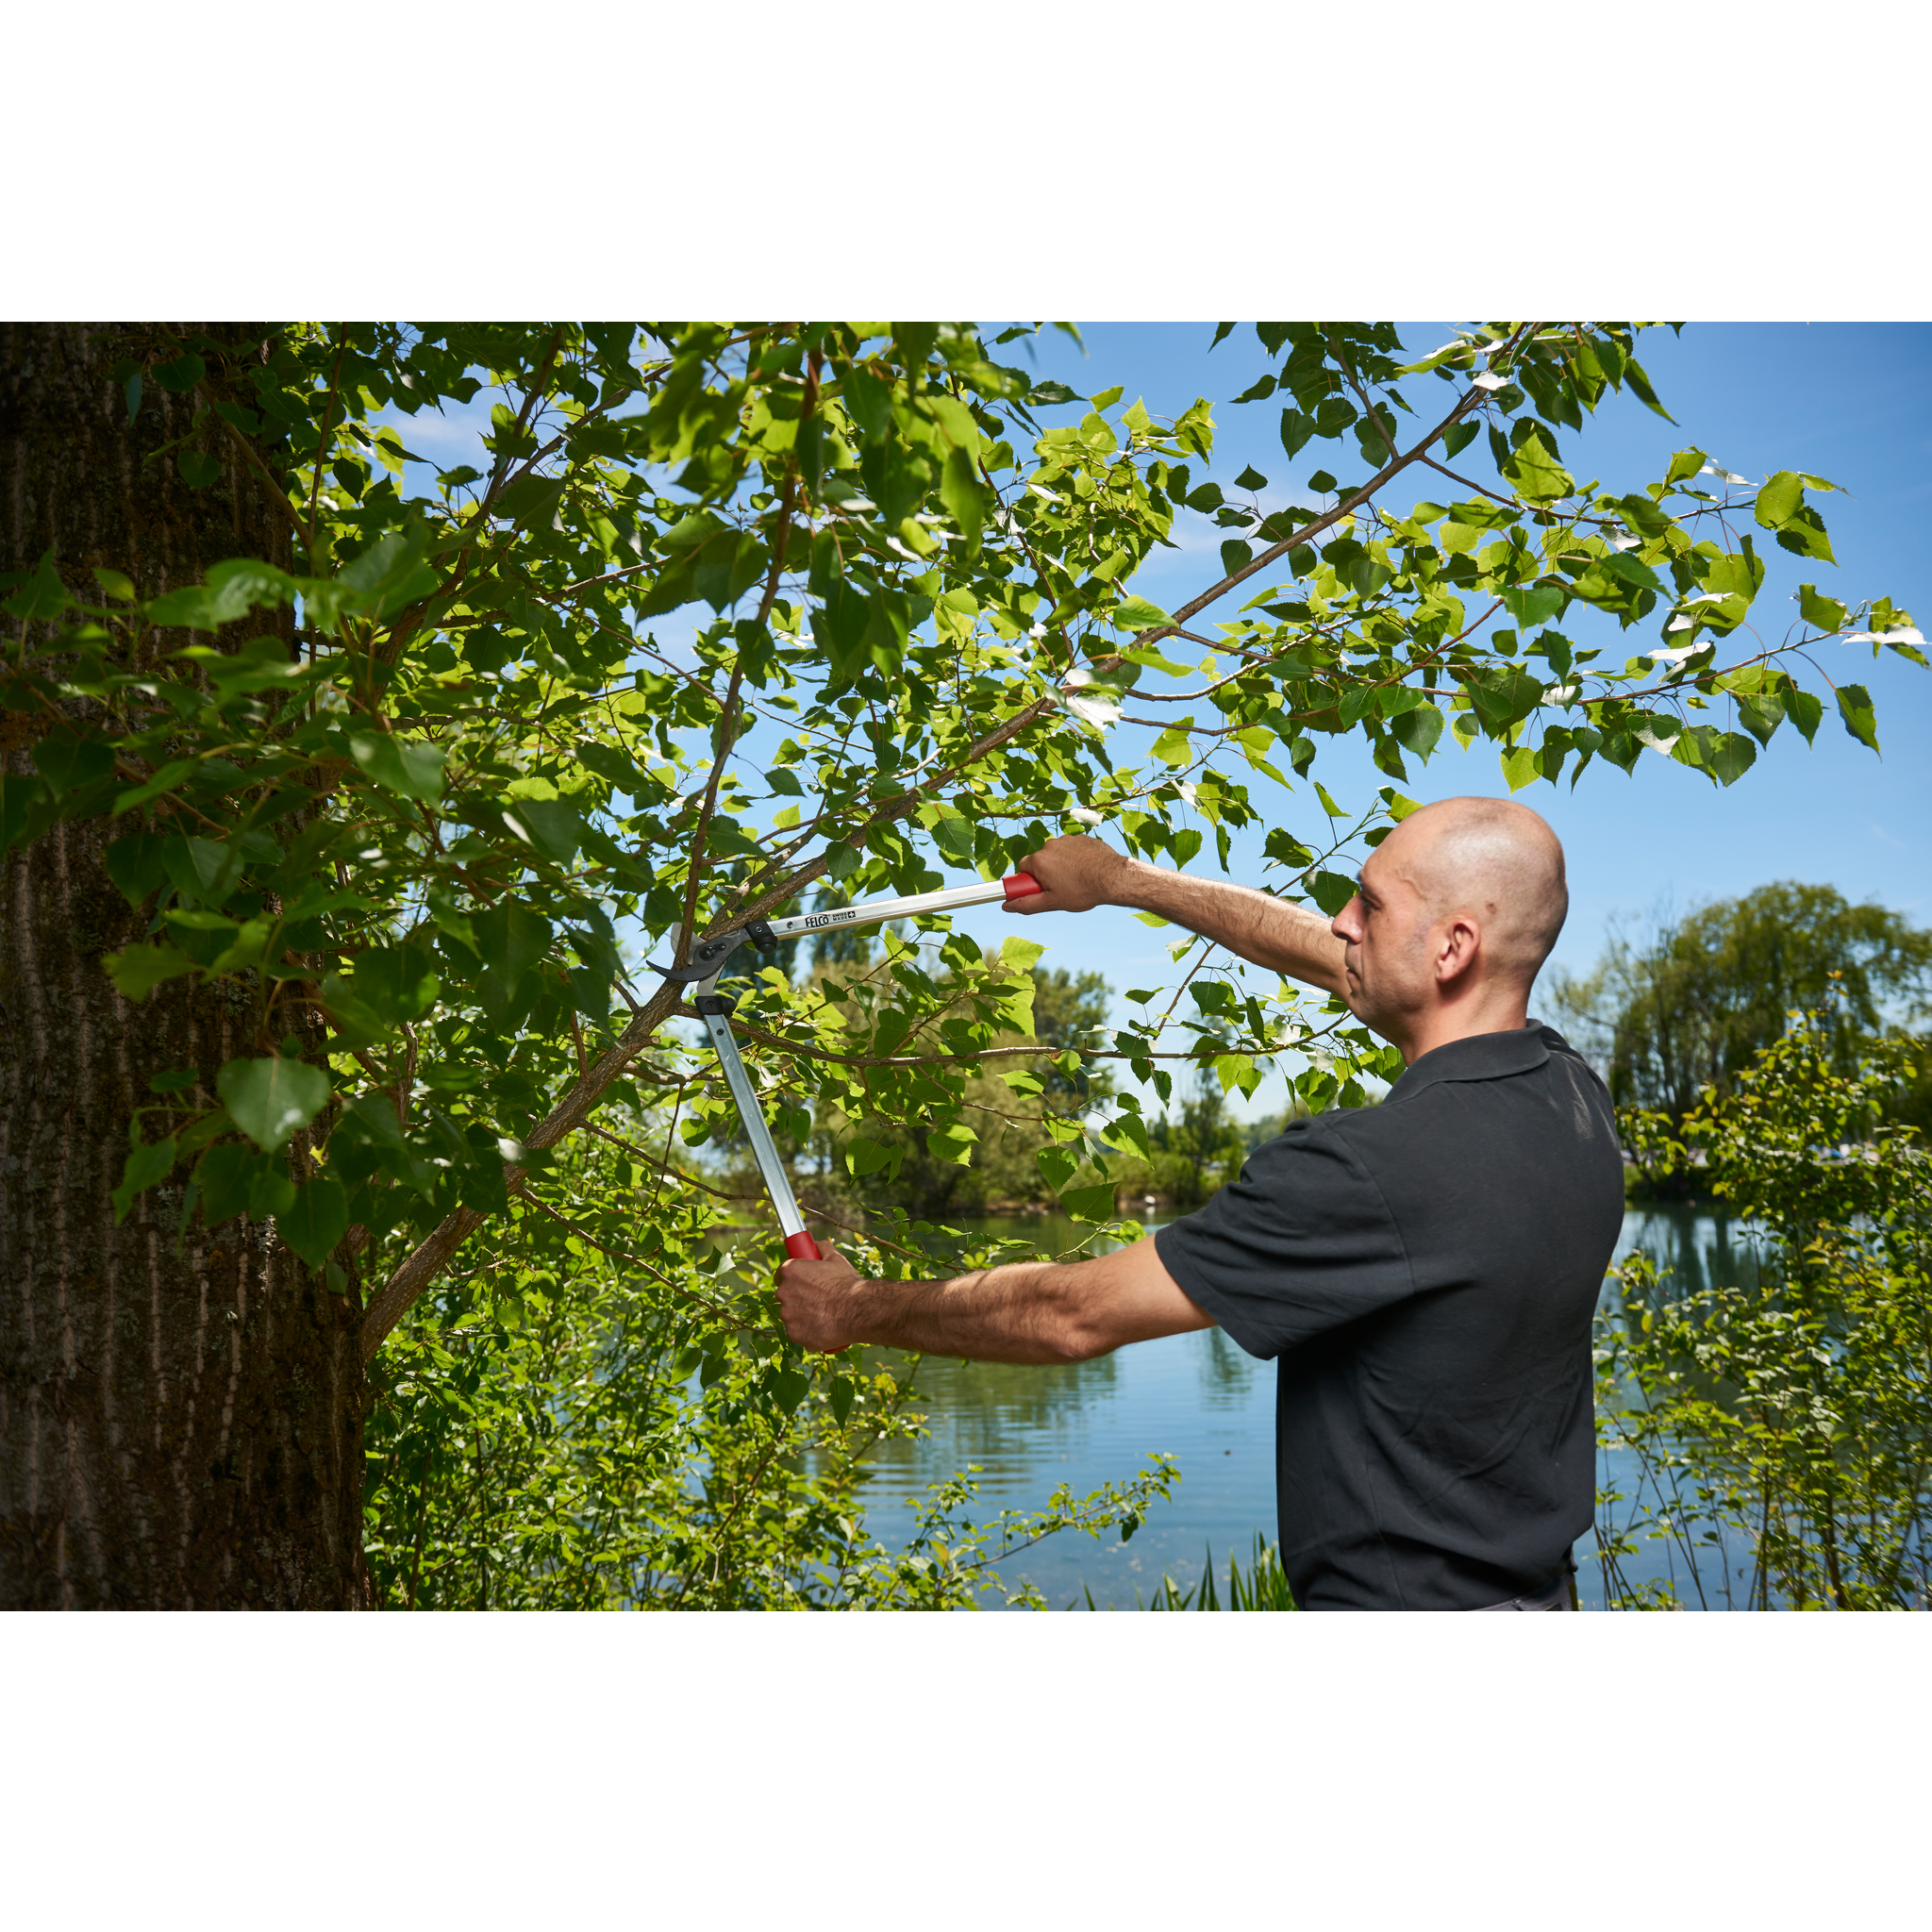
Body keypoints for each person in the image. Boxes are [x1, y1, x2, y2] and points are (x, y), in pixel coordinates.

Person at [775, 797, 1624, 1610]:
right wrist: (1121, 880)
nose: (1339, 922)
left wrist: (855, 1308)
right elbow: (1334, 958)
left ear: (1452, 948)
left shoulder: (1369, 1169)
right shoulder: (1570, 1097)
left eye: (1367, 903)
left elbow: (1075, 1315)